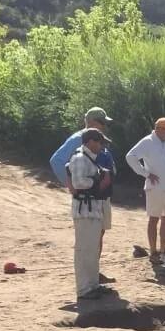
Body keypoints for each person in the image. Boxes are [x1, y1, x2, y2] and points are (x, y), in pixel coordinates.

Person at [49, 107, 117, 282]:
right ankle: (89, 277)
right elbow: (57, 160)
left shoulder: (98, 139)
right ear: (92, 121)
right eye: (102, 122)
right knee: (89, 237)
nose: (105, 126)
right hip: (90, 196)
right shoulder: (79, 138)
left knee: (99, 233)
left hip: (101, 194)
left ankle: (94, 273)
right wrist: (70, 184)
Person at [125, 117, 165, 263]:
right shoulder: (147, 142)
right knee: (154, 218)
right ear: (159, 130)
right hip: (155, 188)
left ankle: (164, 250)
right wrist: (146, 173)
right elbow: (130, 157)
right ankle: (153, 252)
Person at [67, 128, 115, 302]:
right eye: (100, 142)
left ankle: (93, 285)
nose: (102, 146)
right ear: (90, 142)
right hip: (84, 210)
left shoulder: (89, 158)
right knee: (84, 250)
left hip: (92, 209)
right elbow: (78, 182)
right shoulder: (80, 158)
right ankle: (84, 289)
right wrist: (98, 180)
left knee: (92, 250)